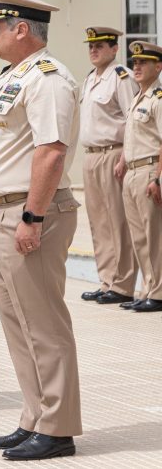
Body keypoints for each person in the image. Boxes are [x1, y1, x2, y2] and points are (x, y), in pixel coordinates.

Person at [0, 0, 81, 460]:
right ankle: (34, 415)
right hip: (1, 212)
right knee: (18, 324)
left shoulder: (48, 79)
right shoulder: (9, 78)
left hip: (31, 212)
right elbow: (0, 152)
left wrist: (31, 218)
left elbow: (50, 152)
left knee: (43, 323)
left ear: (21, 30)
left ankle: (58, 428)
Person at [78, 28, 139, 305]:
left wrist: (125, 156)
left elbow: (132, 119)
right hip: (91, 155)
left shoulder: (121, 77)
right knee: (99, 223)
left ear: (114, 49)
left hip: (113, 154)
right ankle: (106, 281)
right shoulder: (90, 78)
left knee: (118, 222)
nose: (93, 50)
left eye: (100, 45)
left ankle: (123, 284)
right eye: (91, 46)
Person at [120, 41, 162, 313]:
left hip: (149, 171)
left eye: (143, 62)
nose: (136, 67)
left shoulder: (158, 98)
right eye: (134, 62)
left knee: (154, 236)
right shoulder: (138, 97)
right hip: (132, 171)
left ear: (158, 67)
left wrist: (158, 178)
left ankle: (159, 292)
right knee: (140, 238)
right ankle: (148, 288)